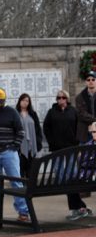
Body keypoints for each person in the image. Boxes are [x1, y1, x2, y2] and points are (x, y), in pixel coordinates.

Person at [0, 88, 30, 221]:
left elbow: (20, 131)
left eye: (1, 101)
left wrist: (14, 146)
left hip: (9, 152)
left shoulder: (12, 112)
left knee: (16, 182)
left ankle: (23, 212)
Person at [43, 89, 88, 220]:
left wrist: (76, 141)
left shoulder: (73, 111)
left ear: (67, 99)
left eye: (63, 98)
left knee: (71, 175)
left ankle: (78, 205)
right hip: (57, 147)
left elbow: (78, 127)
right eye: (58, 98)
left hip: (70, 147)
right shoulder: (51, 112)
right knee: (60, 175)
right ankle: (79, 204)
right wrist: (52, 141)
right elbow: (46, 127)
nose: (60, 100)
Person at [15, 93, 43, 178]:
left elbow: (38, 129)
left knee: (31, 171)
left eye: (27, 101)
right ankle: (21, 189)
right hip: (20, 147)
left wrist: (38, 142)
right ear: (19, 101)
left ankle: (30, 190)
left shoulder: (33, 114)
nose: (25, 102)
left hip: (32, 146)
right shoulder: (15, 114)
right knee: (20, 170)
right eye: (23, 100)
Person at [75, 70, 96, 144]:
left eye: (93, 79)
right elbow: (81, 114)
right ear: (86, 82)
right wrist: (95, 120)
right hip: (85, 133)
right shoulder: (79, 97)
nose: (91, 81)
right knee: (85, 154)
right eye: (88, 80)